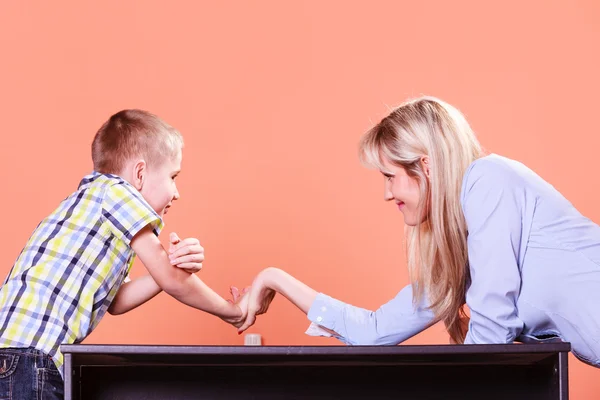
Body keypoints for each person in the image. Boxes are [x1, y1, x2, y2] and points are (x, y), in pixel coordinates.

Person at [236, 96, 600, 368]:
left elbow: (492, 329)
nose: (386, 193)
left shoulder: (488, 179)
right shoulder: (467, 249)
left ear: (425, 166)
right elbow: (374, 332)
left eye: (389, 176)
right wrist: (275, 279)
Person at [0, 110, 246, 399]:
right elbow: (173, 282)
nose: (177, 192)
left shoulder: (93, 202)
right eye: (173, 176)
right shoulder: (117, 193)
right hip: (29, 360)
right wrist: (232, 311)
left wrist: (168, 264)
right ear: (140, 174)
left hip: (16, 357)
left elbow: (116, 300)